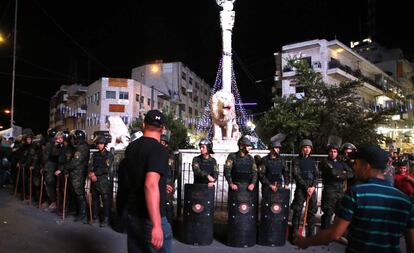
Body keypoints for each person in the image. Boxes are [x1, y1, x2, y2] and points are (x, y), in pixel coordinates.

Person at [295, 144, 414, 253]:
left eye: (357, 163)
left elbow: (334, 234)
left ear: (366, 166)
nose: (354, 166)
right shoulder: (406, 201)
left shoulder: (356, 193)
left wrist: (306, 242)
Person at [123, 109, 172, 253]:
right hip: (150, 218)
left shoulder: (131, 147)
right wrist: (157, 225)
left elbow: (132, 177)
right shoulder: (159, 149)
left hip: (133, 214)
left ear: (143, 125)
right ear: (162, 128)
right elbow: (150, 184)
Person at [319, 143, 353, 229]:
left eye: (335, 151)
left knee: (339, 213)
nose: (333, 153)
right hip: (329, 192)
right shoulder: (325, 162)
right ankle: (324, 233)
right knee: (328, 213)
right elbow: (333, 173)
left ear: (337, 153)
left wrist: (340, 175)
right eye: (331, 151)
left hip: (340, 192)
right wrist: (342, 173)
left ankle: (334, 233)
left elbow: (351, 173)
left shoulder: (341, 163)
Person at [290, 139, 318, 238]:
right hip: (301, 189)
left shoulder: (313, 161)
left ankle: (311, 236)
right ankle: (295, 236)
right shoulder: (296, 160)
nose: (307, 149)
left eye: (309, 148)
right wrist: (307, 188)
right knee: (297, 211)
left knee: (312, 212)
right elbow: (296, 175)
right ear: (301, 148)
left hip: (311, 189)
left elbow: (316, 175)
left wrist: (313, 187)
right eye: (305, 147)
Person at [88, 136, 114, 227]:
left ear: (105, 145)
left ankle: (106, 218)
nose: (99, 145)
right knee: (95, 199)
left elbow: (106, 168)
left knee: (105, 199)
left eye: (101, 143)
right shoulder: (95, 155)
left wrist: (94, 174)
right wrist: (90, 173)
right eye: (98, 143)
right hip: (94, 180)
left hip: (103, 180)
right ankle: (95, 216)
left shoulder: (109, 155)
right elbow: (90, 165)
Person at [65, 130, 90, 223]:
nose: (72, 140)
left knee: (79, 193)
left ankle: (82, 214)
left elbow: (76, 161)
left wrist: (66, 167)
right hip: (75, 174)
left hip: (78, 175)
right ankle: (77, 211)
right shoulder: (78, 147)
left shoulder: (82, 148)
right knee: (75, 193)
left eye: (74, 138)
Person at [160, 133, 177, 224]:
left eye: (163, 142)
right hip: (159, 181)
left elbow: (172, 171)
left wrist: (169, 183)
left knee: (167, 203)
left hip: (167, 181)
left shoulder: (169, 156)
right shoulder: (156, 153)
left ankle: (168, 223)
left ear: (166, 144)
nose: (161, 144)